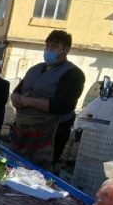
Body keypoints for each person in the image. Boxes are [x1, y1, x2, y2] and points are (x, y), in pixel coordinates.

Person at [9, 30, 85, 170]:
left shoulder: (73, 74)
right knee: (16, 165)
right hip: (23, 128)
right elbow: (19, 90)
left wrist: (29, 101)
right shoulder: (35, 69)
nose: (49, 50)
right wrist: (14, 96)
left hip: (48, 135)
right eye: (47, 46)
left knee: (39, 172)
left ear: (66, 49)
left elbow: (63, 106)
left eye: (55, 47)